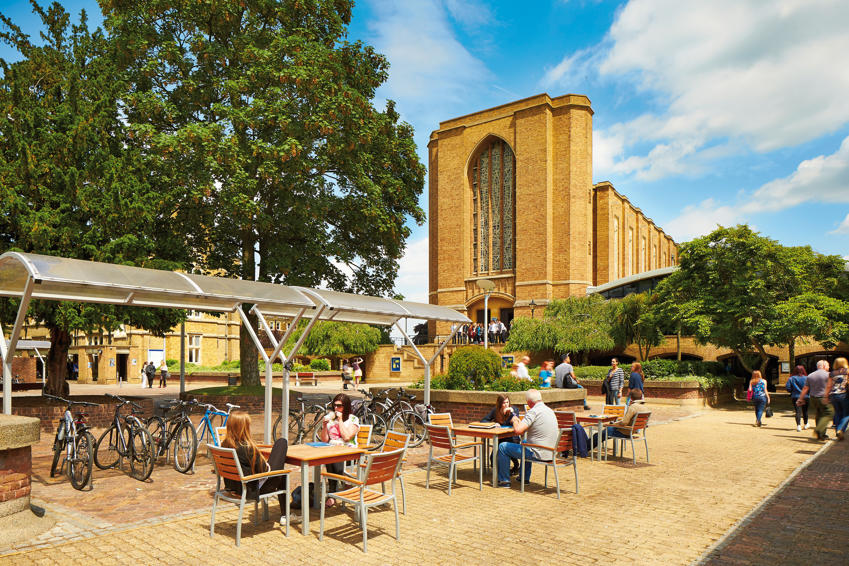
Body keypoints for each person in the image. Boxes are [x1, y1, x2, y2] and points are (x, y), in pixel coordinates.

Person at [222, 411, 289, 526]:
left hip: (235, 487)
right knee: (281, 443)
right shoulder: (247, 448)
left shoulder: (225, 445)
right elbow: (264, 470)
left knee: (281, 472)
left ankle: (285, 515)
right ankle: (285, 515)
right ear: (244, 428)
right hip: (251, 489)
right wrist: (264, 462)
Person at [496, 389, 558, 487]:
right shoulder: (549, 411)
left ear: (529, 402)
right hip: (551, 452)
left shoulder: (533, 412)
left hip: (538, 454)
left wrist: (514, 419)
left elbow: (518, 431)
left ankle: (504, 481)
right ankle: (523, 478)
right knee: (525, 442)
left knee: (503, 446)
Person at [319, 393, 360, 506]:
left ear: (346, 407)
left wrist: (340, 420)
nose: (336, 408)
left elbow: (347, 437)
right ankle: (336, 490)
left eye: (339, 406)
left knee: (333, 458)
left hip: (349, 454)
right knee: (329, 457)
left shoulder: (353, 420)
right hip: (332, 451)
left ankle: (333, 492)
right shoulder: (331, 420)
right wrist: (324, 426)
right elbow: (324, 440)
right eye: (334, 406)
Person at [481, 394, 521, 475]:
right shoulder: (496, 411)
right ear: (499, 404)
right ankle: (501, 472)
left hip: (512, 438)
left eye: (507, 402)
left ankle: (515, 465)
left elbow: (517, 421)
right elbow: (483, 420)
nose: (506, 404)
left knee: (507, 452)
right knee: (493, 458)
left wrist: (512, 413)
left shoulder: (514, 410)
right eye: (503, 403)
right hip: (500, 438)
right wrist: (494, 423)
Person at [798, 360, 834, 441]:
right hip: (824, 397)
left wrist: (800, 398)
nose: (829, 367)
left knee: (819, 414)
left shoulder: (810, 375)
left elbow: (805, 388)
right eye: (828, 365)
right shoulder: (829, 375)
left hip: (813, 398)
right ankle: (819, 430)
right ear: (824, 366)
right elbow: (830, 386)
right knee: (829, 413)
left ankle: (820, 435)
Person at [830, 357, 849, 440]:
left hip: (833, 395)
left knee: (837, 413)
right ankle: (840, 430)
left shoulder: (832, 373)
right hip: (843, 395)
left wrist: (826, 396)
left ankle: (838, 432)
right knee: (846, 414)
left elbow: (828, 386)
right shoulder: (847, 371)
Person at [785, 365, 809, 431]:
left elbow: (788, 387)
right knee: (805, 411)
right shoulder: (807, 378)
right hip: (806, 396)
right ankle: (806, 424)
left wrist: (792, 391)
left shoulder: (791, 378)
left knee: (798, 411)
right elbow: (810, 387)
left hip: (795, 396)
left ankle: (798, 425)